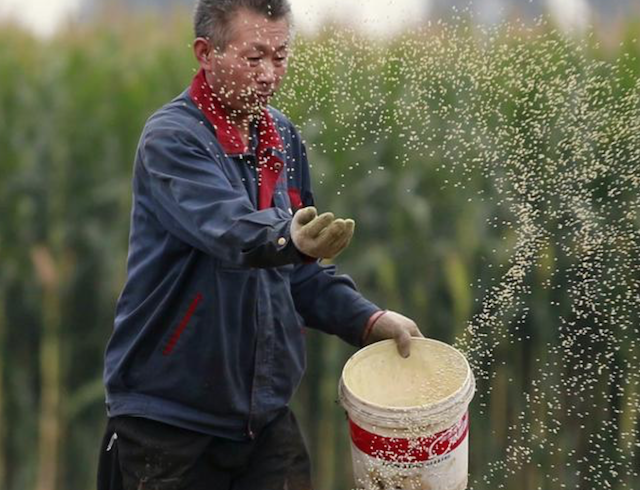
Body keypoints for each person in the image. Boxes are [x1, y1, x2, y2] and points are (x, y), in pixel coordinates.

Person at [97, 0, 422, 488]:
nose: (270, 74)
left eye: (281, 55)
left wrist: (369, 320)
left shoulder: (283, 139)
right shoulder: (171, 139)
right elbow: (230, 231)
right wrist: (288, 236)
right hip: (167, 425)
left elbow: (298, 270)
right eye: (254, 58)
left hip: (263, 422)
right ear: (206, 53)